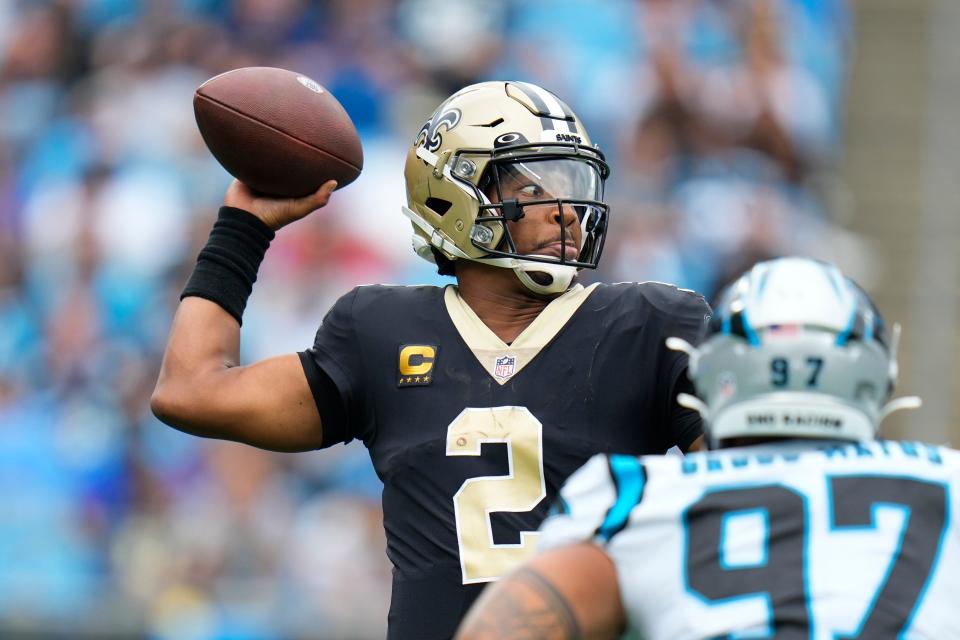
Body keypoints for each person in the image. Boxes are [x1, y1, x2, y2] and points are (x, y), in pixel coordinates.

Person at [151, 80, 710, 639]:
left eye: (573, 184)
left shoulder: (653, 325)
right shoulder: (378, 331)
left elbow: (755, 488)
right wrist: (242, 228)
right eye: (537, 187)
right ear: (455, 194)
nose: (566, 212)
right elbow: (191, 392)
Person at [457, 257, 958, 640]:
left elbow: (507, 625)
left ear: (714, 374)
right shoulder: (949, 482)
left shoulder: (633, 495)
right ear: (874, 377)